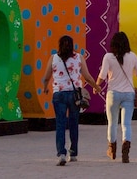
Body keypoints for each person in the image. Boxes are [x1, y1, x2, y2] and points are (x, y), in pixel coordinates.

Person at [41, 35, 100, 166]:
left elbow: (46, 77)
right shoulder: (78, 58)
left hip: (59, 95)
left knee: (60, 124)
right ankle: (73, 153)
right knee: (74, 123)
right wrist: (96, 87)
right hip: (74, 95)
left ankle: (61, 154)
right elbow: (87, 76)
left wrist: (45, 88)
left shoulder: (53, 58)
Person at [96, 31, 137, 164]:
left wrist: (96, 86)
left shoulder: (108, 57)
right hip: (129, 94)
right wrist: (132, 70)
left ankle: (112, 150)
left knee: (112, 124)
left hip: (113, 93)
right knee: (126, 124)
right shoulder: (133, 56)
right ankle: (126, 150)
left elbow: (102, 74)